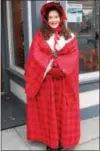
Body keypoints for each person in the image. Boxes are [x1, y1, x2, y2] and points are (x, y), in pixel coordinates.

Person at [24, 2, 80, 151]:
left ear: (61, 18)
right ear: (46, 19)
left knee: (62, 112)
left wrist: (57, 65)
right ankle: (51, 142)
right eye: (50, 17)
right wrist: (48, 66)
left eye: (56, 16)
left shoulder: (70, 37)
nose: (53, 20)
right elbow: (34, 57)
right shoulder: (40, 36)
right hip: (46, 83)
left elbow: (73, 58)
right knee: (49, 114)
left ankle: (62, 141)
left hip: (64, 83)